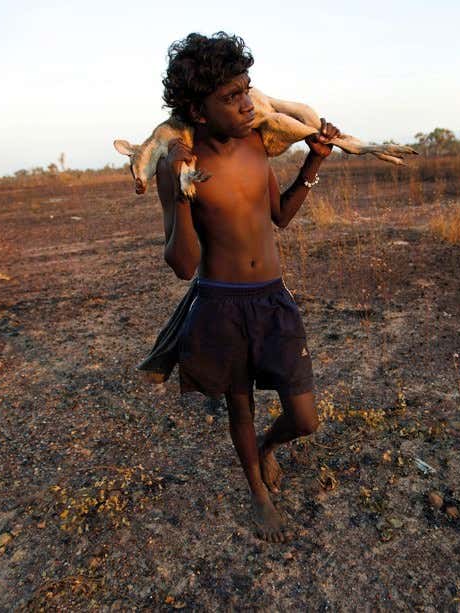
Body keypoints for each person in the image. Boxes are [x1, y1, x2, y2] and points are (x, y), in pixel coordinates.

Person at [156, 32, 340, 542]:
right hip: (220, 304)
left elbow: (278, 216)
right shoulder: (183, 167)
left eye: (246, 89)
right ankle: (258, 493)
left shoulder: (257, 144)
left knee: (305, 418)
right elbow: (182, 263)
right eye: (231, 96)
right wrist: (179, 197)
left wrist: (314, 162)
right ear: (196, 109)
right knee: (240, 405)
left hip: (272, 298)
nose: (246, 103)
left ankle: (266, 447)